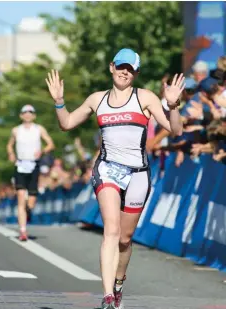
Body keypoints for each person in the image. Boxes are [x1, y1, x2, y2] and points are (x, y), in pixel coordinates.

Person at [45, 48, 184, 309]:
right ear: (111, 67)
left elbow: (175, 130)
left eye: (130, 69)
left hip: (138, 173)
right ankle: (108, 295)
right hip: (108, 169)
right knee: (111, 230)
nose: (124, 72)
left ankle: (119, 283)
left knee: (124, 239)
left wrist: (173, 105)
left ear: (136, 73)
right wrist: (59, 102)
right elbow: (67, 124)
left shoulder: (145, 97)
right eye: (121, 66)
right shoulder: (97, 99)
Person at [7, 104, 55, 241]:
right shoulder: (16, 130)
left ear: (34, 115)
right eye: (25, 112)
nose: (27, 114)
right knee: (21, 198)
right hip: (20, 165)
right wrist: (10, 153)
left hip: (34, 165)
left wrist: (42, 151)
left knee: (31, 202)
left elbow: (51, 143)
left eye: (30, 112)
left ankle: (27, 211)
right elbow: (10, 144)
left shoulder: (39, 129)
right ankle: (23, 231)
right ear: (21, 115)